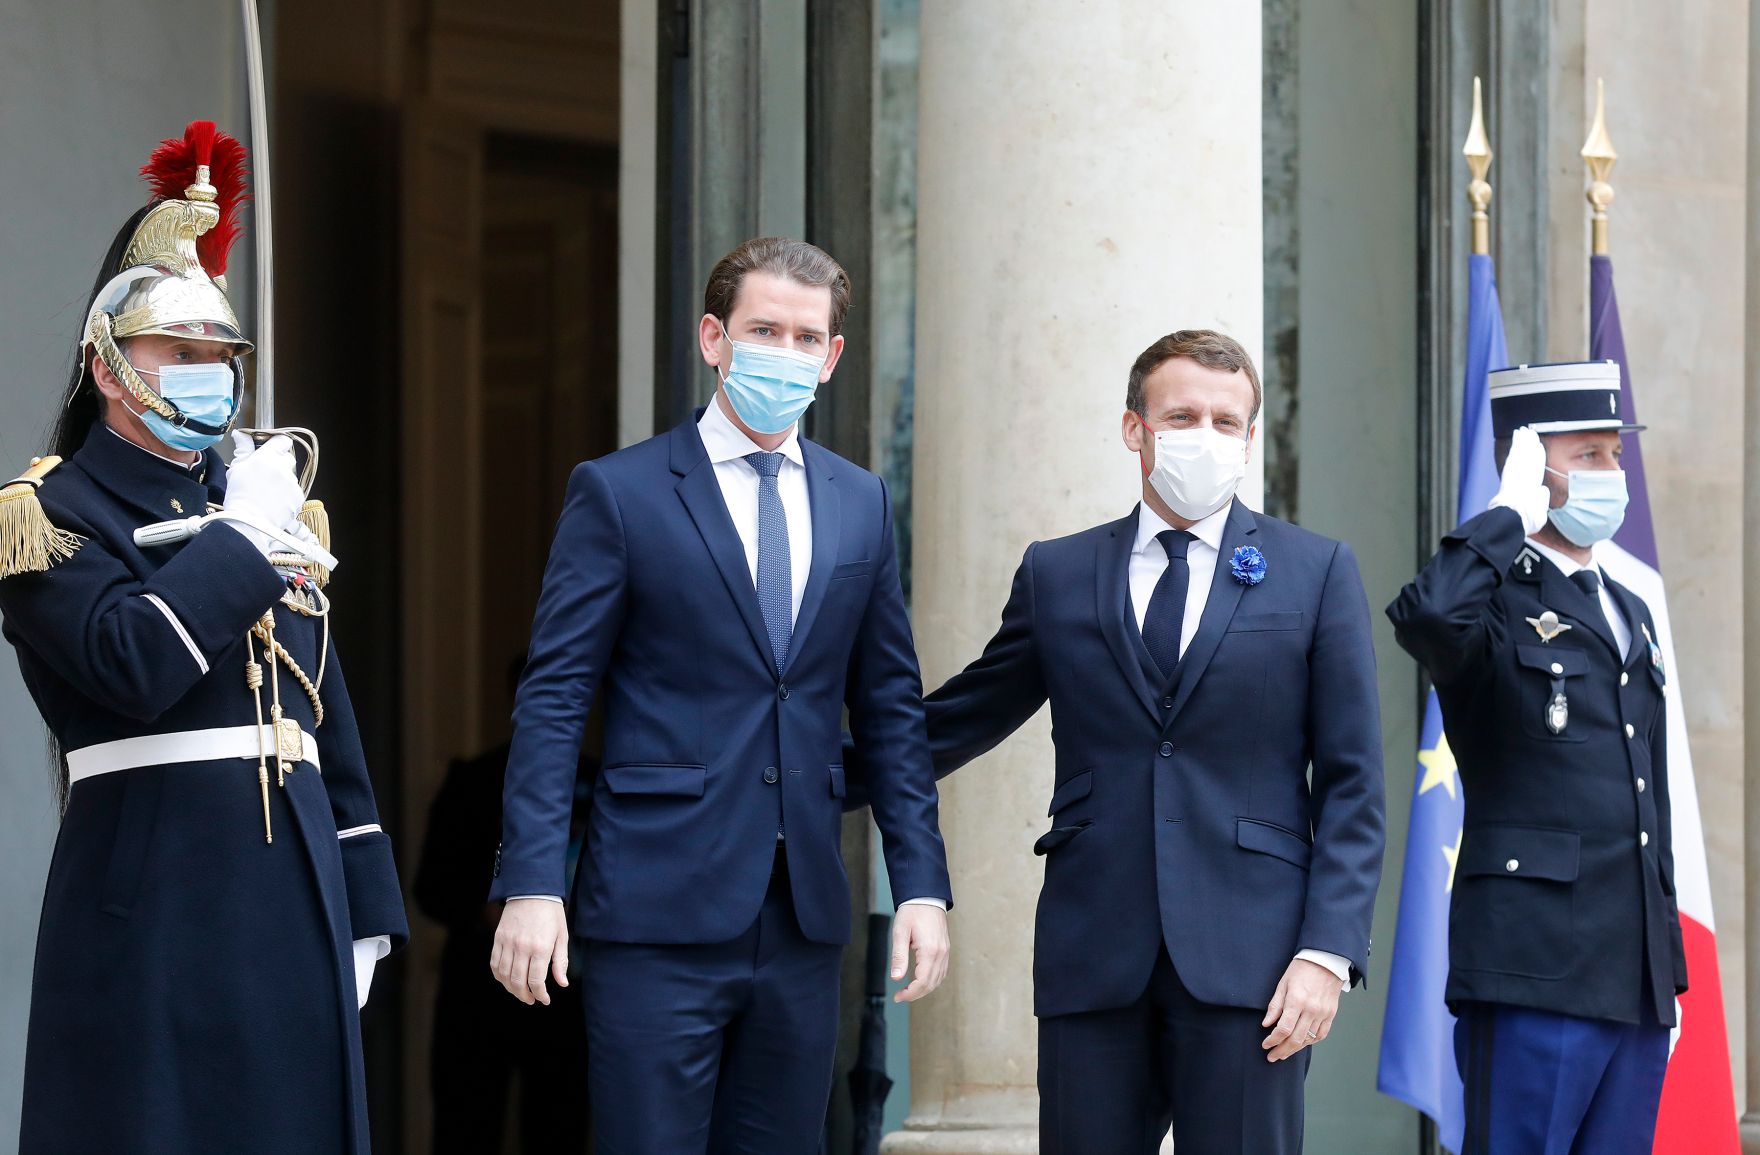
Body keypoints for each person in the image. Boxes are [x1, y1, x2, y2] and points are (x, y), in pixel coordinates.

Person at [865, 330, 1385, 1153]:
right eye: (1182, 415)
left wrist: (1327, 951)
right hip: (1093, 951)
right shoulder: (1059, 573)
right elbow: (959, 718)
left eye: (1225, 420)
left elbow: (1353, 782)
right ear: (1133, 428)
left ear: (1251, 437)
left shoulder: (1315, 570)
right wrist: (805, 765)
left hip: (1254, 962)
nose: (1204, 435)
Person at [489, 236, 952, 1153]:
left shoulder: (861, 502)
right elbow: (555, 694)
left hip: (802, 914)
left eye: (805, 335)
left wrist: (923, 884)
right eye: (762, 329)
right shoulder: (619, 493)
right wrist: (534, 879)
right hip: (655, 906)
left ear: (832, 356)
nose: (785, 351)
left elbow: (892, 706)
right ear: (714, 338)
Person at [0, 121, 406, 1153]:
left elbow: (322, 717)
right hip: (159, 893)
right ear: (109, 369)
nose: (207, 375)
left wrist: (363, 895)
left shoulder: (269, 503)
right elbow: (131, 666)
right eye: (176, 354)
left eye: (220, 356)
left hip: (294, 888)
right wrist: (237, 538)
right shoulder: (48, 518)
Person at [1387, 360, 1683, 1154]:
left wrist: (1665, 969)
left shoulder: (1625, 606)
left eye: (1615, 454)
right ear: (1529, 463)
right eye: (1588, 456)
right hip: (1534, 966)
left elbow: (1643, 795)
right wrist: (1505, 517)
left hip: (1634, 978)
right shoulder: (1490, 597)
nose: (1612, 474)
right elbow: (1426, 618)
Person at [414, 657, 591, 1154]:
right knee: (466, 1127)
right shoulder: (472, 780)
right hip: (477, 983)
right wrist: (488, 911)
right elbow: (431, 887)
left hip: (568, 989)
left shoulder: (600, 782)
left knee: (560, 1128)